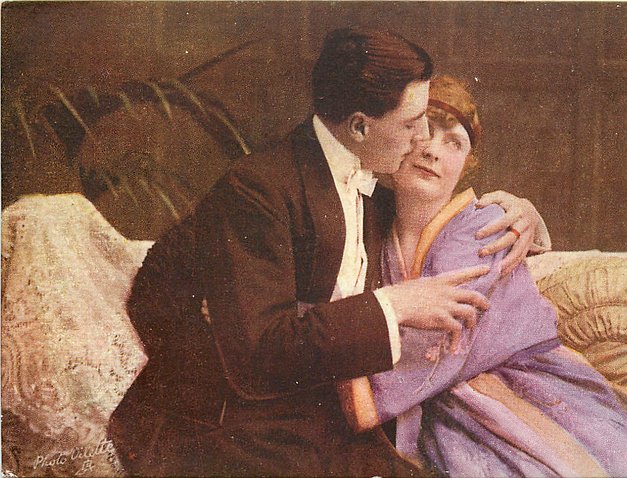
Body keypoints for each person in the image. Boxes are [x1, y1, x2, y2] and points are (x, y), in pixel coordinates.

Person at [109, 28, 547, 477]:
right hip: (224, 425)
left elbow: (441, 220)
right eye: (411, 123)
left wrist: (525, 213)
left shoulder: (374, 183)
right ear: (359, 126)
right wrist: (394, 305)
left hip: (323, 419)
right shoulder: (260, 188)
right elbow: (199, 313)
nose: (421, 139)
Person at [342, 75, 627, 477]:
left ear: (466, 167)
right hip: (440, 396)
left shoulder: (487, 227)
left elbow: (439, 341)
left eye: (454, 144)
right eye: (424, 131)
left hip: (522, 383)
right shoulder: (372, 223)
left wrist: (344, 379)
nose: (432, 151)